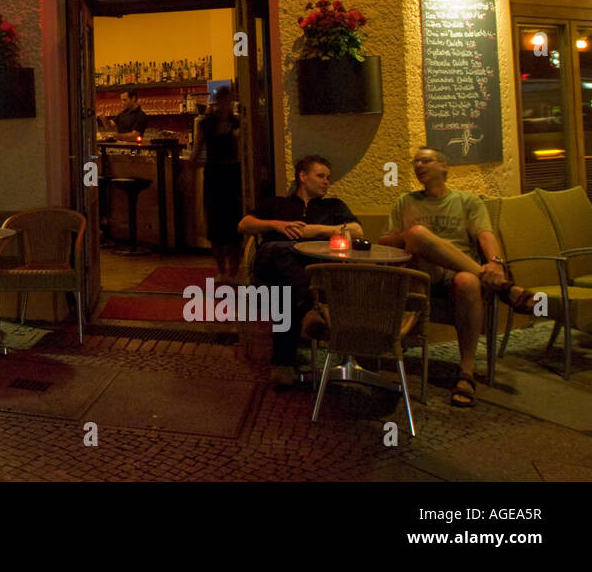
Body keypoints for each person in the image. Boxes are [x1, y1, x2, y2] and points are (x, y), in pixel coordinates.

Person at [378, 147, 537, 408]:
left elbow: (485, 234)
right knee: (418, 233)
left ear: (444, 166)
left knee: (468, 281)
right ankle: (504, 288)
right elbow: (384, 240)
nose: (419, 165)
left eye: (426, 161)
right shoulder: (405, 201)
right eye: (415, 162)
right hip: (422, 273)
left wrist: (495, 263)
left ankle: (466, 373)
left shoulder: (467, 201)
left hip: (460, 272)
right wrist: (412, 237)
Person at [241, 155, 364, 387]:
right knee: (280, 250)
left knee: (285, 294)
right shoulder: (277, 204)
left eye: (328, 177)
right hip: (273, 263)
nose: (327, 182)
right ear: (302, 177)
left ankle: (284, 363)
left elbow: (357, 231)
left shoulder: (333, 206)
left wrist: (314, 230)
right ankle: (312, 306)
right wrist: (277, 225)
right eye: (320, 176)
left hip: (308, 273)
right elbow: (244, 225)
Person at [193, 86, 243, 282]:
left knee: (234, 226)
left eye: (229, 101)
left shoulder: (237, 122)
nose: (226, 105)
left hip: (232, 175)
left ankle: (233, 271)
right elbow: (198, 149)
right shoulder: (206, 123)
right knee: (215, 227)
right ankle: (222, 270)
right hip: (214, 175)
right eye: (224, 100)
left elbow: (242, 151)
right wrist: (189, 171)